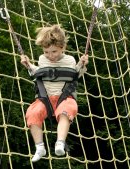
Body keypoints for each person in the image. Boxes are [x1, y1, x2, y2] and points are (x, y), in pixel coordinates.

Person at [20, 24, 88, 162]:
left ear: (62, 47)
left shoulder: (70, 60)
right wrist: (28, 65)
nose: (50, 55)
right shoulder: (42, 59)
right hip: (45, 98)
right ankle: (40, 147)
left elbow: (75, 75)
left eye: (54, 52)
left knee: (66, 111)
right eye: (46, 52)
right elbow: (37, 72)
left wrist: (82, 64)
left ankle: (60, 143)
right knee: (32, 113)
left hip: (64, 97)